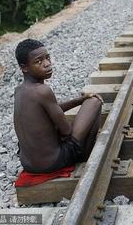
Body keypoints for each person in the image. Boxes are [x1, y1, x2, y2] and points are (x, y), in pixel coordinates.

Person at [13, 39, 103, 173]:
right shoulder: (43, 91)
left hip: (28, 164)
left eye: (47, 58)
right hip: (51, 163)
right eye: (39, 61)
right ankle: (85, 153)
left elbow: (48, 110)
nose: (47, 64)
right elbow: (66, 131)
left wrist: (79, 100)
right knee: (94, 102)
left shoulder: (19, 90)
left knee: (85, 104)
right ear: (24, 67)